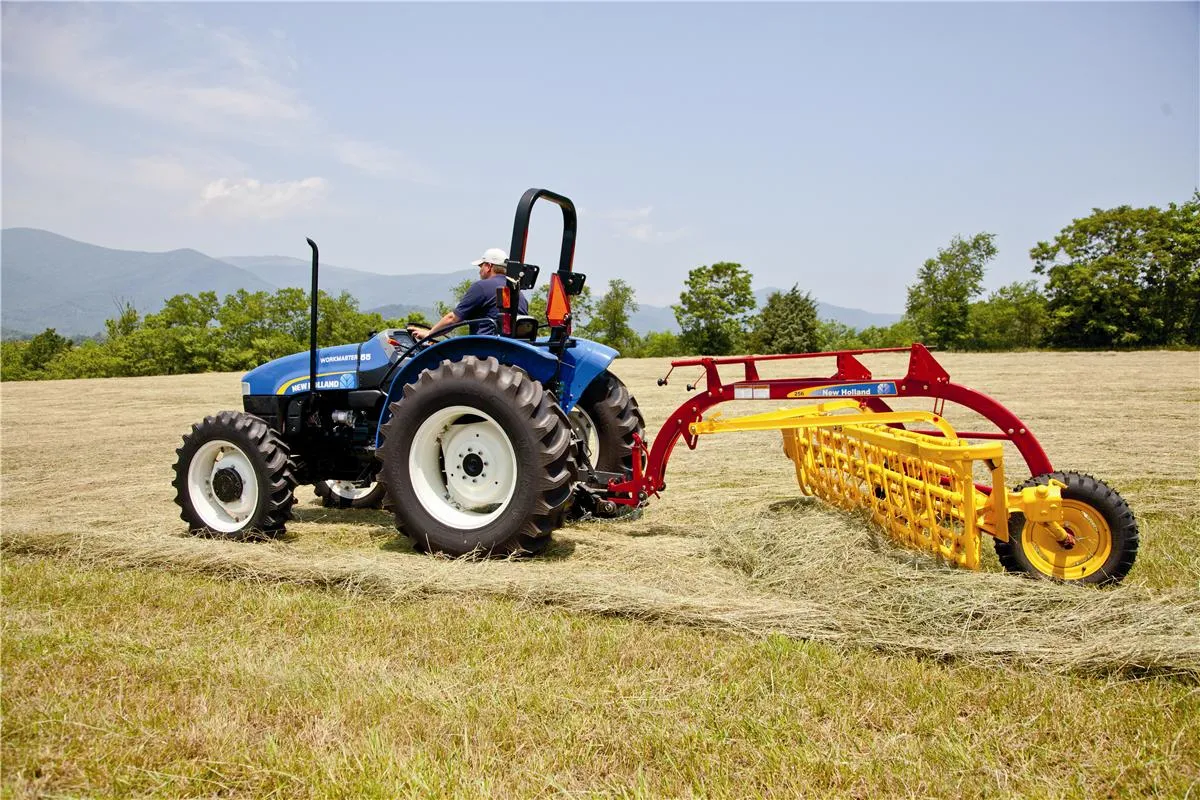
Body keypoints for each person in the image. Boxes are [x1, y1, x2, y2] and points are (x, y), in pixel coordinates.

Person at [410, 247, 529, 340]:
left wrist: (429, 334)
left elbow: (452, 319)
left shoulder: (481, 287)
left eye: (481, 266)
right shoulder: (519, 294)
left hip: (485, 351)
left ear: (488, 266)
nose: (479, 270)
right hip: (510, 349)